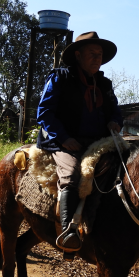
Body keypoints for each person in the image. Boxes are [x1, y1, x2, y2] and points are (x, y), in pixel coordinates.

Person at [36, 31, 123, 252]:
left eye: (100, 54)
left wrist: (114, 121)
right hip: (65, 141)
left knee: (126, 169)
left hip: (98, 142)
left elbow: (115, 111)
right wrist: (64, 138)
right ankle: (68, 233)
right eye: (92, 54)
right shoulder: (60, 78)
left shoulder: (104, 84)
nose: (97, 58)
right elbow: (44, 112)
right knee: (72, 175)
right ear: (77, 56)